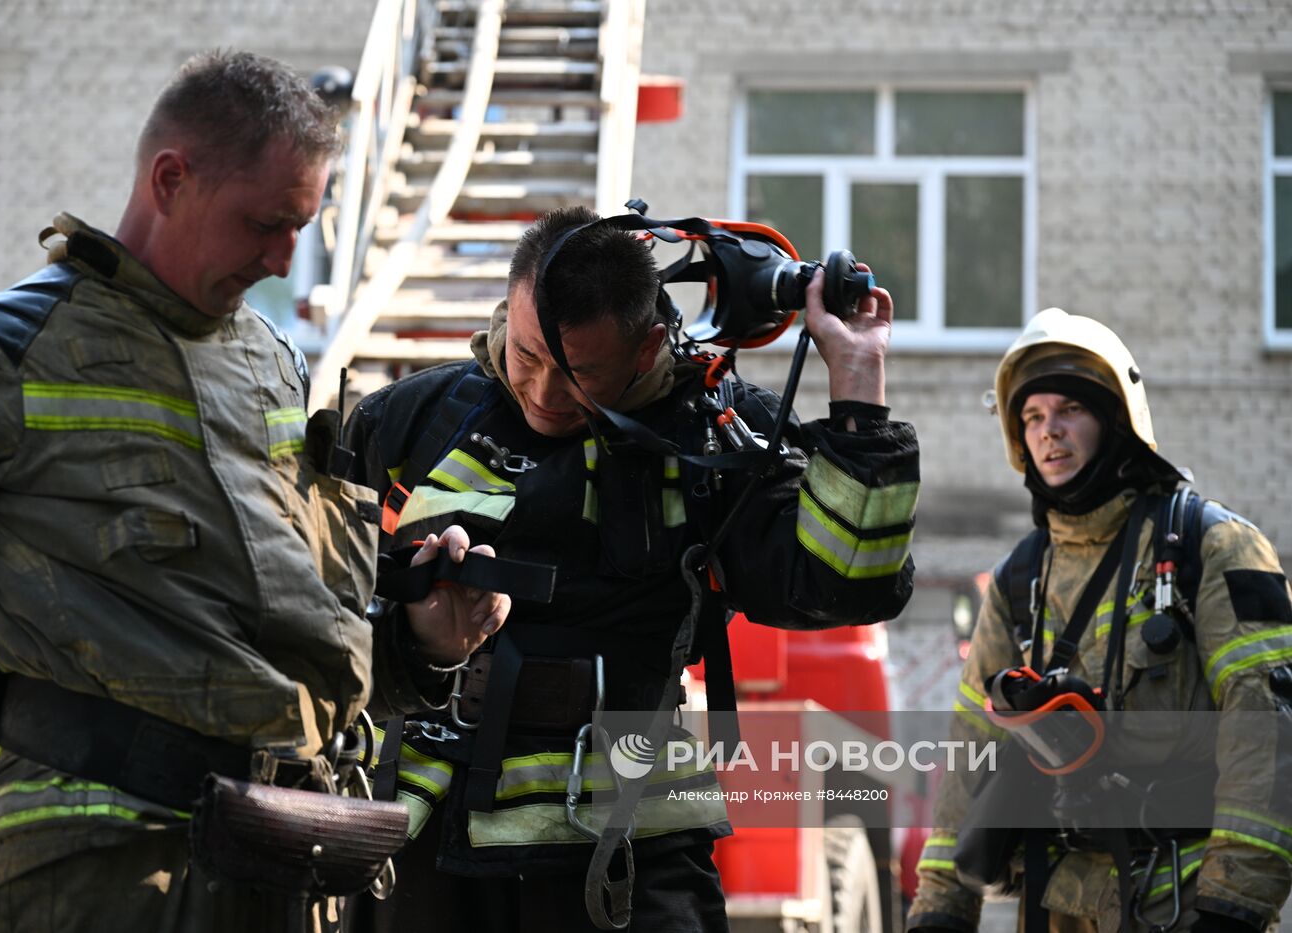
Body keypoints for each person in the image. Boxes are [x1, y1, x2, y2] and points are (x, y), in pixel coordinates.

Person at [0, 50, 510, 932]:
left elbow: (283, 634)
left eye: (304, 225)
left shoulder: (272, 364)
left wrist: (419, 642)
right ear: (171, 179)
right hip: (87, 874)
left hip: (282, 860)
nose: (283, 257)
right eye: (264, 223)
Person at [341, 206, 920, 931]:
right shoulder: (412, 421)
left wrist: (858, 391)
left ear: (647, 345)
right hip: (427, 844)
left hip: (630, 848)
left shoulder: (716, 435)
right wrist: (417, 640)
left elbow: (845, 583)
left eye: (580, 372)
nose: (546, 393)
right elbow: (321, 623)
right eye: (526, 356)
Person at [906, 308, 1292, 933]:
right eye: (1032, 416)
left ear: (1116, 423)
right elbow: (971, 748)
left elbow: (1268, 732)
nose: (1048, 432)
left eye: (1069, 411)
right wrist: (940, 908)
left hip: (1186, 900)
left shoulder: (1213, 547)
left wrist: (1233, 908)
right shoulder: (1019, 579)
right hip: (1061, 905)